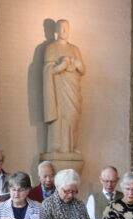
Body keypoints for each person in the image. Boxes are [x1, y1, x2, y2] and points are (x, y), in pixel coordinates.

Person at [43, 19, 86, 154]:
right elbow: (48, 69)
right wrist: (61, 66)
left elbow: (83, 70)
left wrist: (78, 64)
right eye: (61, 28)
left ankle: (71, 147)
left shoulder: (74, 49)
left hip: (72, 88)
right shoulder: (51, 48)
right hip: (58, 89)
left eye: (66, 28)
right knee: (59, 117)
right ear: (56, 30)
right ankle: (57, 148)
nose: (64, 31)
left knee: (72, 116)